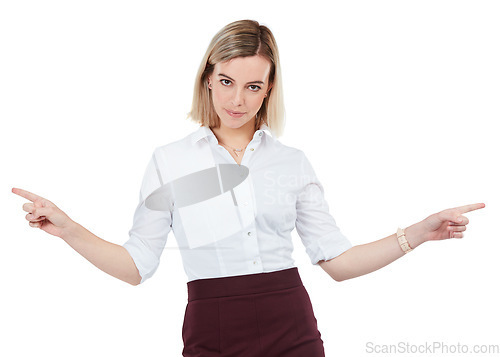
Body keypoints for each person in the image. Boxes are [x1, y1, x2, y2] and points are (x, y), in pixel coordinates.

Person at [12, 19, 485, 357]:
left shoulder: (291, 163)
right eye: (226, 81)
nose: (237, 99)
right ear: (207, 78)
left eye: (253, 87)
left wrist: (419, 233)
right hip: (211, 326)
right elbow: (138, 265)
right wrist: (69, 228)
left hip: (291, 323)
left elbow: (337, 262)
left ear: (269, 89)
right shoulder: (170, 160)